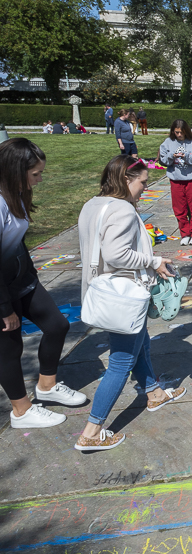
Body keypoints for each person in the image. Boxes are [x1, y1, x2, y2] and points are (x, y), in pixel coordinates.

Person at [75, 156, 184, 451]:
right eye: (143, 183)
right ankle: (92, 431)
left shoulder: (92, 204)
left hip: (104, 292)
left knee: (141, 341)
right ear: (126, 178)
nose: (145, 188)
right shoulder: (122, 209)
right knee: (121, 362)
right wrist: (154, 260)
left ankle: (154, 393)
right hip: (123, 295)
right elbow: (116, 254)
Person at [0, 139, 84, 430]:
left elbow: (16, 243)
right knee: (9, 348)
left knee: (57, 325)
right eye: (35, 174)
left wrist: (30, 274)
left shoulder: (16, 195)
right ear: (15, 170)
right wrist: (5, 308)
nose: (40, 179)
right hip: (2, 292)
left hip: (22, 281)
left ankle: (47, 386)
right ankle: (21, 411)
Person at [159, 120, 192, 246]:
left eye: (181, 132)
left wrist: (186, 156)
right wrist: (172, 156)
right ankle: (185, 234)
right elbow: (163, 160)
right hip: (176, 179)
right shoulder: (168, 142)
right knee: (179, 209)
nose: (179, 135)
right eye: (177, 132)